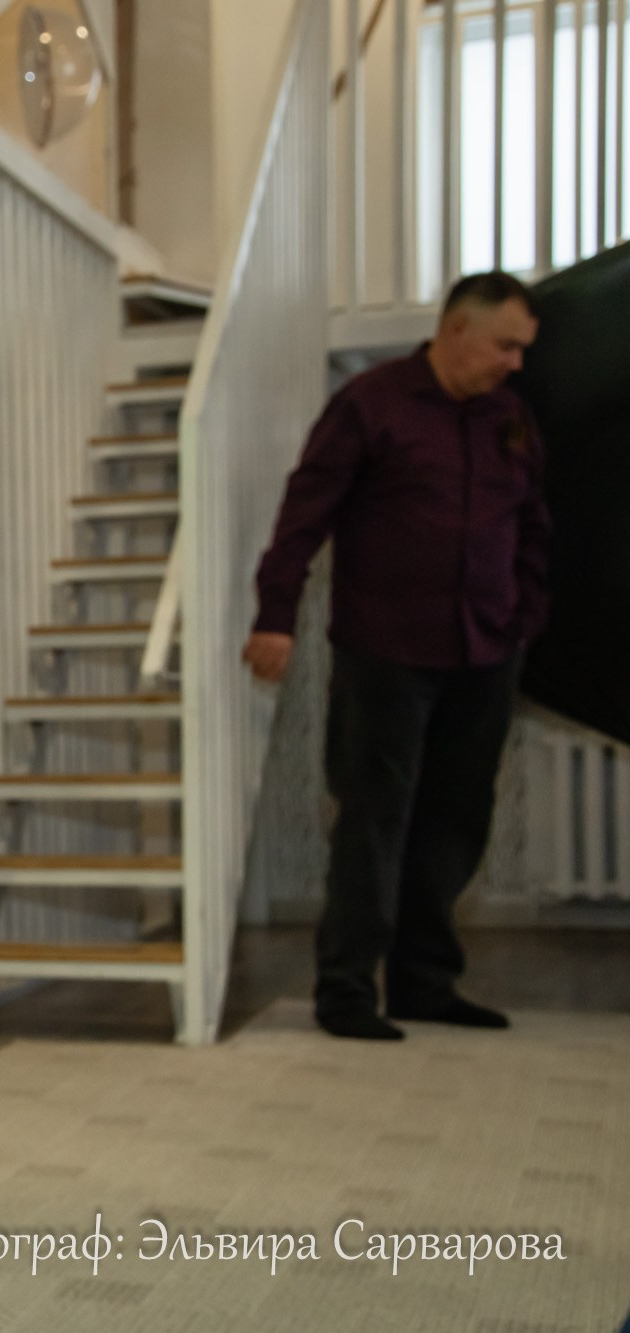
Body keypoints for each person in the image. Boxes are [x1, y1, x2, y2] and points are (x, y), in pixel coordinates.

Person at [245, 271, 548, 1043]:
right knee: (373, 822)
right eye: (505, 346)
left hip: (486, 651)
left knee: (455, 821)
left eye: (522, 350)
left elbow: (532, 527)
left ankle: (425, 984)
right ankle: (346, 991)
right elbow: (304, 513)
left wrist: (524, 620)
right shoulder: (370, 404)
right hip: (387, 652)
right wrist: (276, 615)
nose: (515, 363)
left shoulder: (510, 417)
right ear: (457, 328)